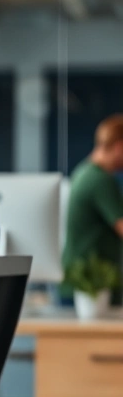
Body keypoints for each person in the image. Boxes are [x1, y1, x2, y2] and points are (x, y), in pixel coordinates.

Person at [61, 114, 123, 305]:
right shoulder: (101, 181)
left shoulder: (83, 172)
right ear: (119, 146)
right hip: (89, 289)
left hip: (83, 286)